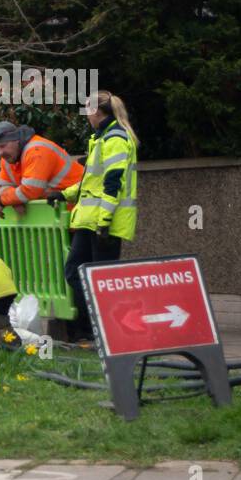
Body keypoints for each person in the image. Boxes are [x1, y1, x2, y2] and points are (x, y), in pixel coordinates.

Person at [46, 91, 139, 343]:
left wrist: (105, 222)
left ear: (97, 112)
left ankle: (108, 331)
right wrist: (63, 195)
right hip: (90, 221)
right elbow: (91, 183)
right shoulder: (101, 139)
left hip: (102, 224)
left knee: (101, 280)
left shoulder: (115, 139)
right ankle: (92, 330)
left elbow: (112, 184)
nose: (86, 116)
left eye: (87, 111)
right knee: (77, 272)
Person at [0, 121, 83, 213]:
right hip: (59, 214)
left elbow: (31, 190)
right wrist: (14, 200)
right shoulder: (9, 157)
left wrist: (3, 201)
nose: (0, 153)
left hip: (77, 209)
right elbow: (2, 188)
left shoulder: (37, 151)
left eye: (3, 146)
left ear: (16, 140)